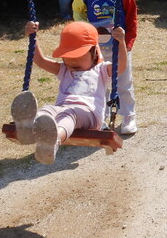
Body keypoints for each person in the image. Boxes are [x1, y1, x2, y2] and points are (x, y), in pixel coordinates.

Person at [10, 20, 127, 165]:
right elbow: (40, 61)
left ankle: (53, 141)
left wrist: (121, 42)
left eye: (78, 56)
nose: (72, 62)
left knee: (69, 115)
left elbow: (120, 67)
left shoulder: (101, 70)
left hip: (89, 114)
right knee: (48, 110)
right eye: (67, 57)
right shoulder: (64, 70)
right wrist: (32, 36)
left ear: (94, 52)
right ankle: (28, 127)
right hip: (62, 108)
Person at [71, 0, 139, 136]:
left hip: (120, 47)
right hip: (98, 49)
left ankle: (128, 116)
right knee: (100, 84)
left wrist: (128, 42)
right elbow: (77, 11)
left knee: (124, 82)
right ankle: (102, 115)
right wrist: (86, 30)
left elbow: (131, 18)